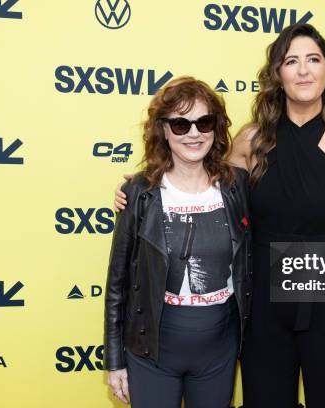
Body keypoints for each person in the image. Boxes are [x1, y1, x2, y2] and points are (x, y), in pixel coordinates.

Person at [115, 24, 325, 407]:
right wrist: (144, 187)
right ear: (278, 75)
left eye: (313, 60)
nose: (303, 70)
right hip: (262, 305)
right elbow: (202, 180)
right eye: (292, 61)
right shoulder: (252, 139)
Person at [103, 77, 252, 408]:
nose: (194, 133)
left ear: (216, 128)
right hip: (152, 352)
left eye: (204, 121)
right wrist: (114, 362)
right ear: (164, 130)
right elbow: (118, 284)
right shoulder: (139, 194)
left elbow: (278, 223)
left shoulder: (237, 186)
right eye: (181, 124)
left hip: (219, 350)